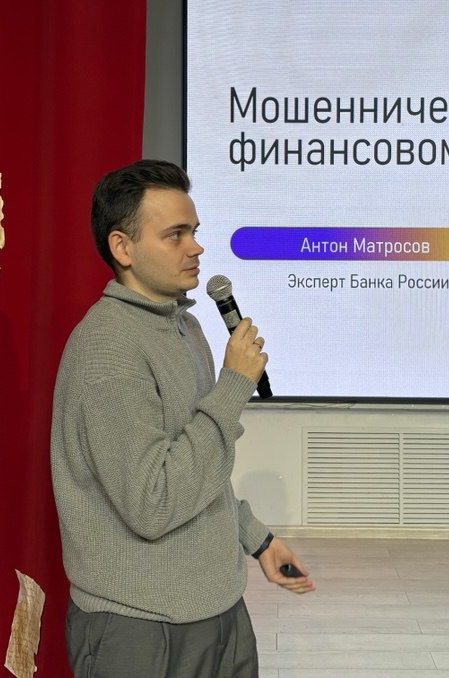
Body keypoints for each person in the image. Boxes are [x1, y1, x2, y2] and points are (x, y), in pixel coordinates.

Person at [51, 159, 314, 677]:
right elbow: (154, 501)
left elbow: (198, 463)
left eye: (194, 231)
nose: (195, 248)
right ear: (122, 248)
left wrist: (256, 539)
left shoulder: (186, 326)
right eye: (175, 235)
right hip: (141, 628)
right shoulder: (107, 347)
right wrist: (233, 385)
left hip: (218, 609)